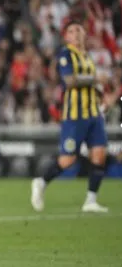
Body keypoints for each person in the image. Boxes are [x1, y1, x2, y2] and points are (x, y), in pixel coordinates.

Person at [31, 22, 109, 213]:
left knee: (99, 155)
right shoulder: (66, 54)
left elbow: (91, 85)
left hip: (93, 113)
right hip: (75, 116)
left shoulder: (87, 56)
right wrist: (96, 79)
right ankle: (41, 182)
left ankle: (90, 201)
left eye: (79, 29)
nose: (77, 33)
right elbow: (70, 81)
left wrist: (100, 93)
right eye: (72, 31)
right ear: (67, 37)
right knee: (68, 160)